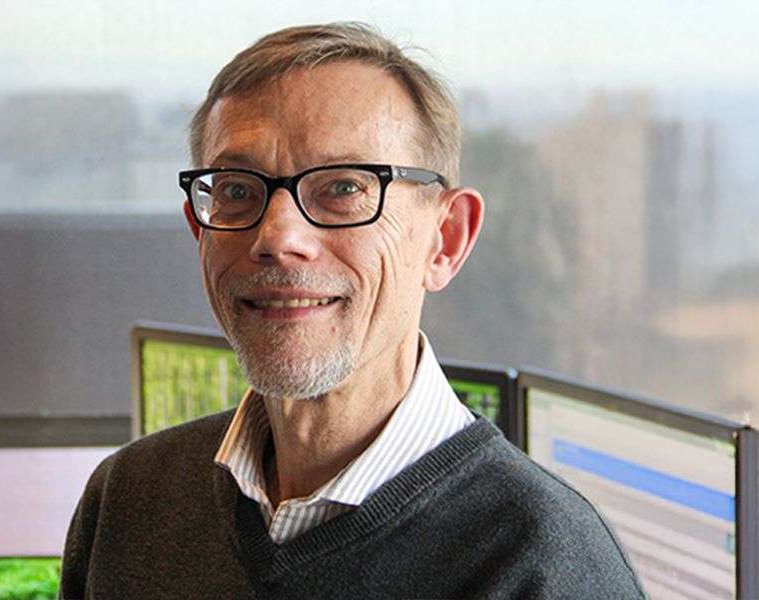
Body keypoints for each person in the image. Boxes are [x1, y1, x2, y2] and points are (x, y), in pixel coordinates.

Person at [60, 22, 645, 599]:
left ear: (445, 240)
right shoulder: (128, 502)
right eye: (237, 190)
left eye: (343, 188)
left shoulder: (545, 565)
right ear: (199, 232)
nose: (278, 235)